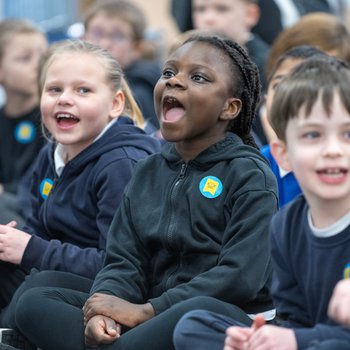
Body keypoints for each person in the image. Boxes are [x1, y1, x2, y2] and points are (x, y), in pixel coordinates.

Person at [6, 34, 278, 350]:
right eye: (168, 73)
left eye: (198, 77)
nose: (175, 82)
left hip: (223, 316)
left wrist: (146, 312)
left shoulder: (250, 174)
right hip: (147, 311)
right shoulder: (149, 170)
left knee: (193, 314)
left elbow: (240, 277)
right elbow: (124, 259)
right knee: (38, 294)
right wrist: (105, 308)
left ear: (230, 108)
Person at [173, 56, 350, 350]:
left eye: (348, 134)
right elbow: (294, 318)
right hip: (310, 340)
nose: (333, 149)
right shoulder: (286, 224)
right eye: (312, 135)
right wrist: (260, 339)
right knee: (193, 327)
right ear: (283, 155)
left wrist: (295, 339)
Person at [0, 39, 160, 327]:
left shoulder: (121, 165)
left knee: (34, 296)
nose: (64, 98)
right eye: (54, 89)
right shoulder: (53, 150)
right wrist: (15, 243)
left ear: (115, 104)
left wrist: (31, 249)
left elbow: (120, 265)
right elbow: (40, 227)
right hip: (59, 275)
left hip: (117, 294)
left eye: (83, 90)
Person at [191, 0, 270, 146]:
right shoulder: (184, 59)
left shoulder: (267, 66)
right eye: (200, 9)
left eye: (222, 9)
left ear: (250, 14)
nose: (208, 18)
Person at [260, 45, 327, 207]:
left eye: (302, 86)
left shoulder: (335, 162)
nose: (287, 95)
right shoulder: (257, 163)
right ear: (266, 98)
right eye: (279, 85)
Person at [83, 0, 161, 134]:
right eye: (97, 33)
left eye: (117, 36)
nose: (104, 43)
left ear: (137, 48)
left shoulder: (139, 92)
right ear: (83, 38)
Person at [0, 19, 48, 227]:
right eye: (25, 58)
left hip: (35, 212)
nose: (39, 66)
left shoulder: (53, 120)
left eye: (43, 57)